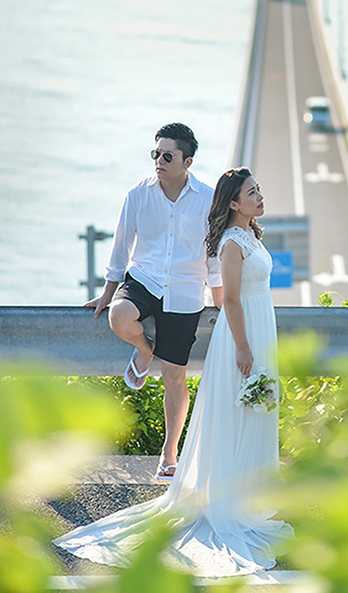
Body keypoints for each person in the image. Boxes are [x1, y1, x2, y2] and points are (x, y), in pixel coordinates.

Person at [55, 167, 292, 577]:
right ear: (234, 203)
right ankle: (225, 499)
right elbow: (230, 301)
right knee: (235, 413)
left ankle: (247, 493)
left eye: (258, 189)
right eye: (252, 192)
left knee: (253, 412)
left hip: (259, 328)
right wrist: (243, 347)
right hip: (245, 334)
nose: (260, 196)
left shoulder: (252, 234)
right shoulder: (233, 242)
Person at [86, 122, 223, 481]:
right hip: (144, 279)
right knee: (119, 317)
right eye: (155, 154)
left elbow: (213, 255)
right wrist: (107, 290)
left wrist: (221, 297)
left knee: (175, 378)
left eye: (167, 155)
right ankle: (145, 350)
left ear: (187, 161)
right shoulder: (138, 194)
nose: (158, 161)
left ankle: (169, 452)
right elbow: (122, 245)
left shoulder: (208, 198)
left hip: (186, 290)